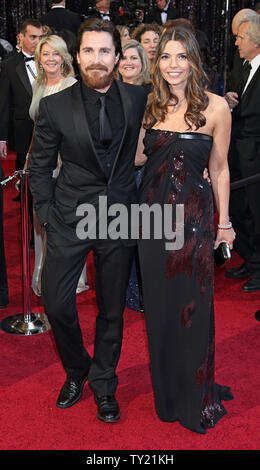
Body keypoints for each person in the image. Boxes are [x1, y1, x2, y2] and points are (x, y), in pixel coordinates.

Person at [29, 18, 147, 422]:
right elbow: (40, 167)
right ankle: (78, 368)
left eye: (104, 51)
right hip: (69, 216)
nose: (96, 59)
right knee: (57, 302)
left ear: (117, 56)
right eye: (88, 51)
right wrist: (45, 214)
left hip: (119, 216)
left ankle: (103, 382)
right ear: (77, 56)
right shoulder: (55, 106)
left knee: (111, 309)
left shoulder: (137, 99)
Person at [138, 24, 235, 433]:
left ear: (193, 60)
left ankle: (194, 392)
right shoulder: (149, 104)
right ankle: (168, 390)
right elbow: (141, 158)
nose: (173, 65)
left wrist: (224, 223)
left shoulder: (216, 108)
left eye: (181, 56)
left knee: (192, 308)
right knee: (159, 309)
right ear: (156, 63)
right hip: (149, 220)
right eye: (165, 57)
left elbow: (220, 168)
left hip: (193, 223)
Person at [25, 35, 88, 297]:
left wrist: (59, 162)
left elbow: (77, 132)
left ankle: (73, 278)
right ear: (39, 57)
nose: (50, 59)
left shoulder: (72, 86)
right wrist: (31, 158)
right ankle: (43, 271)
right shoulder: (39, 84)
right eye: (45, 53)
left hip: (64, 165)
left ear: (65, 57)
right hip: (41, 164)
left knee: (64, 222)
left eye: (55, 54)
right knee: (42, 218)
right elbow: (38, 128)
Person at [225, 16, 260, 292]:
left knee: (257, 214)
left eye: (240, 38)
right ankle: (251, 259)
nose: (235, 42)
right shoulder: (244, 66)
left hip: (256, 158)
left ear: (255, 42)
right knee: (240, 210)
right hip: (238, 153)